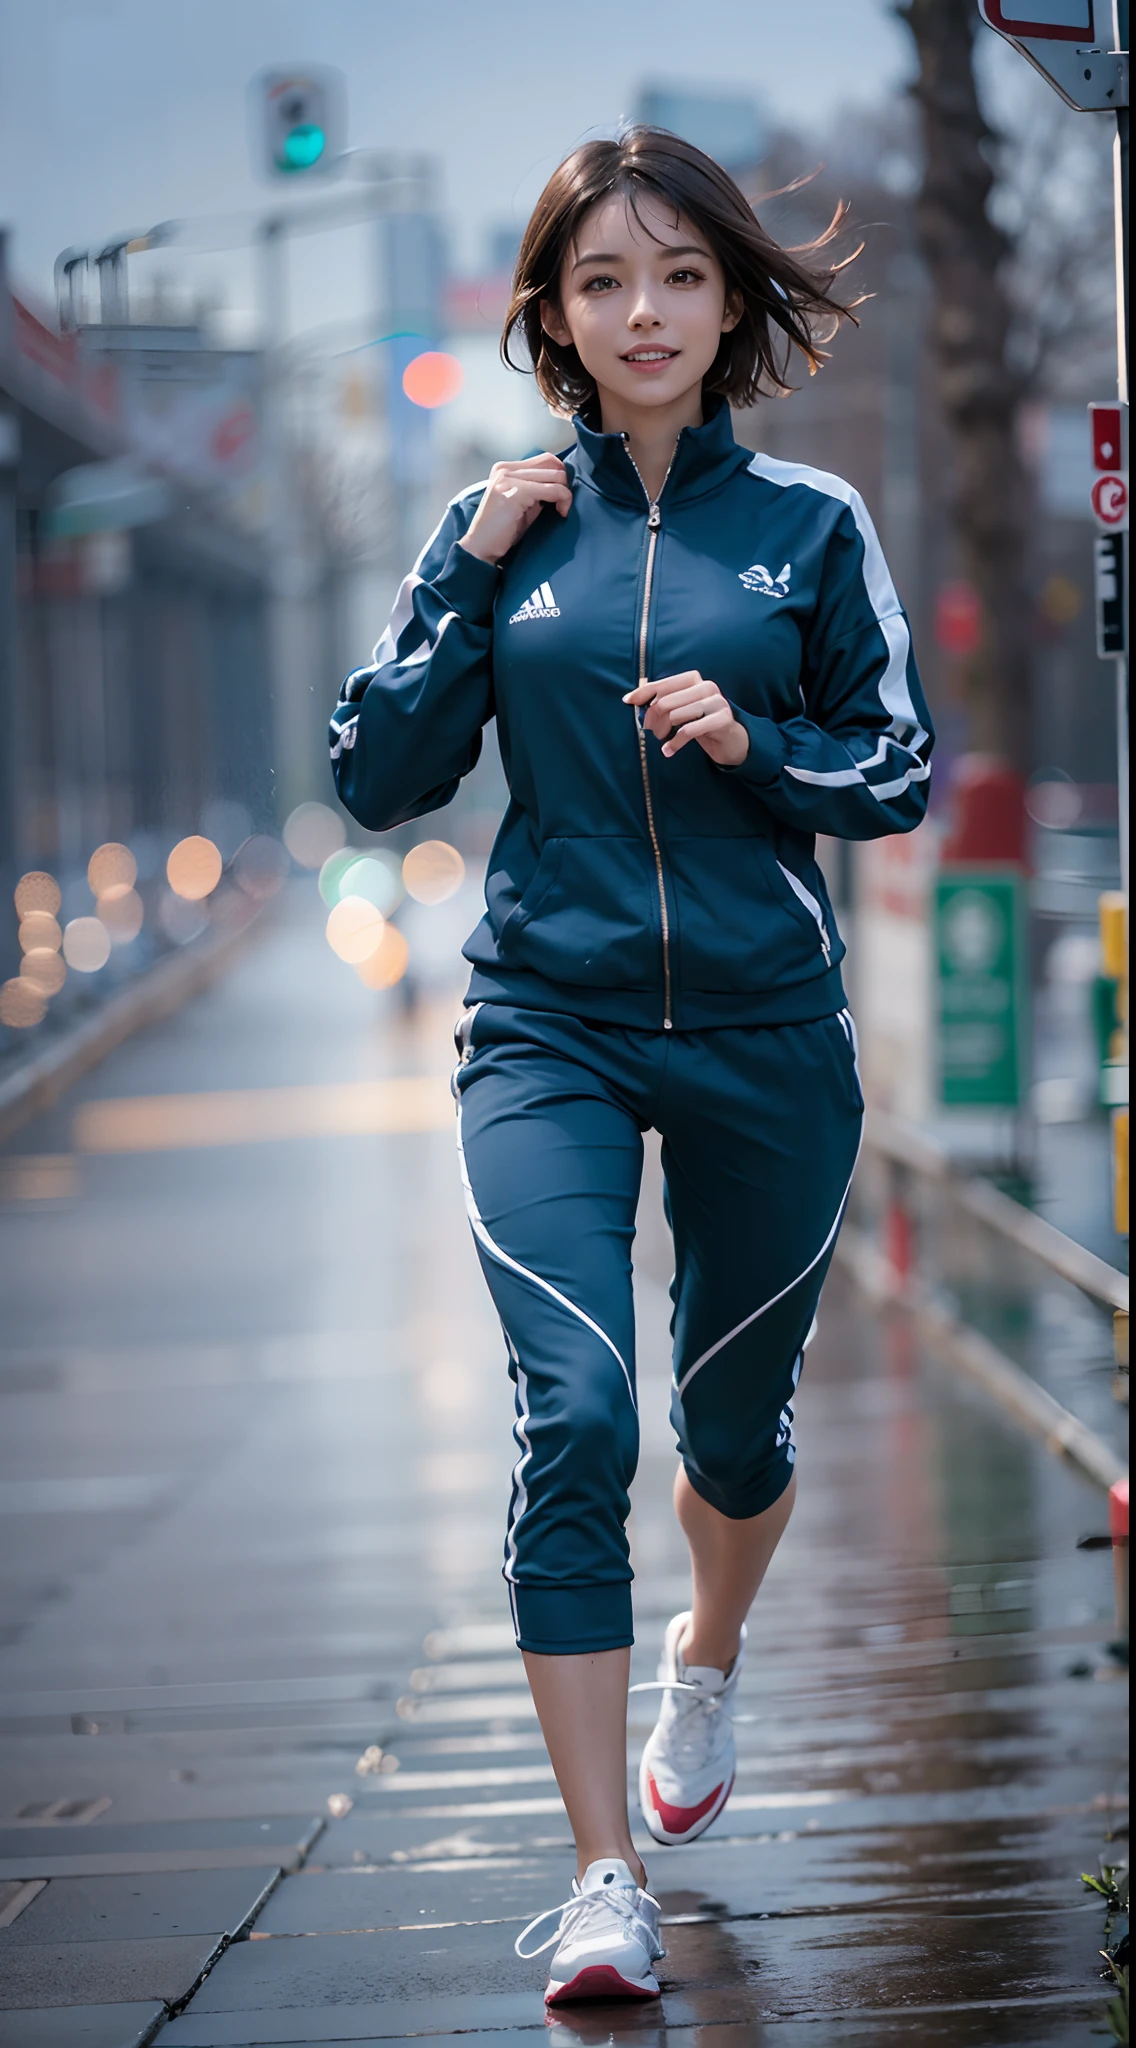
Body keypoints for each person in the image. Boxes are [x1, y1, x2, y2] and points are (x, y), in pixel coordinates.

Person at [331, 126, 933, 2008]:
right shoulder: (497, 529)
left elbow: (896, 769)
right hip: (551, 1026)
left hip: (769, 1034)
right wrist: (467, 577)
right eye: (604, 281)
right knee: (580, 1415)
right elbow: (374, 779)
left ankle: (708, 1664)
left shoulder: (814, 528)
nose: (644, 310)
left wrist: (755, 747)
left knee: (733, 1432)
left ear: (730, 298)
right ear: (553, 318)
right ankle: (604, 1878)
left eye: (679, 274)